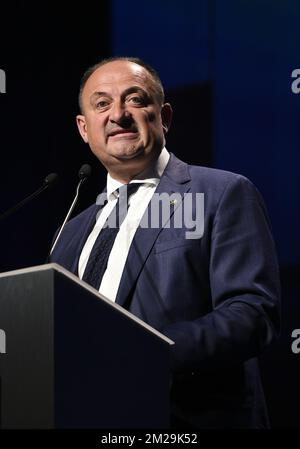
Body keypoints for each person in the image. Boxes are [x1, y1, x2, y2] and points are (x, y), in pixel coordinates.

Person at [50, 56, 281, 429]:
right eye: (102, 103)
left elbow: (252, 315)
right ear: (83, 128)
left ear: (165, 117)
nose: (118, 114)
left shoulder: (221, 193)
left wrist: (144, 349)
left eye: (136, 100)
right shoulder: (72, 230)